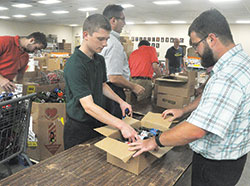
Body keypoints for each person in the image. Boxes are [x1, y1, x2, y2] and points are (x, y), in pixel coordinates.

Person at [129, 9, 250, 186]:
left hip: (215, 166)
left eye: (195, 45)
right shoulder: (240, 62)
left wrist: (154, 141)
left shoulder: (227, 76)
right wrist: (184, 110)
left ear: (211, 39)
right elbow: (212, 98)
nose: (196, 51)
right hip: (232, 159)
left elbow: (196, 129)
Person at [63, 14, 138, 150]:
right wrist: (121, 125)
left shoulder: (99, 60)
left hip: (98, 122)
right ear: (86, 35)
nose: (105, 44)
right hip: (79, 128)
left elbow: (102, 85)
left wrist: (121, 101)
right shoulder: (75, 64)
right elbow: (88, 106)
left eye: (107, 39)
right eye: (100, 39)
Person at [100, 4, 145, 119]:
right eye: (123, 19)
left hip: (104, 90)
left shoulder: (103, 40)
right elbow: (114, 77)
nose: (124, 23)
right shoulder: (113, 43)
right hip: (112, 92)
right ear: (113, 20)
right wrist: (133, 86)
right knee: (116, 127)